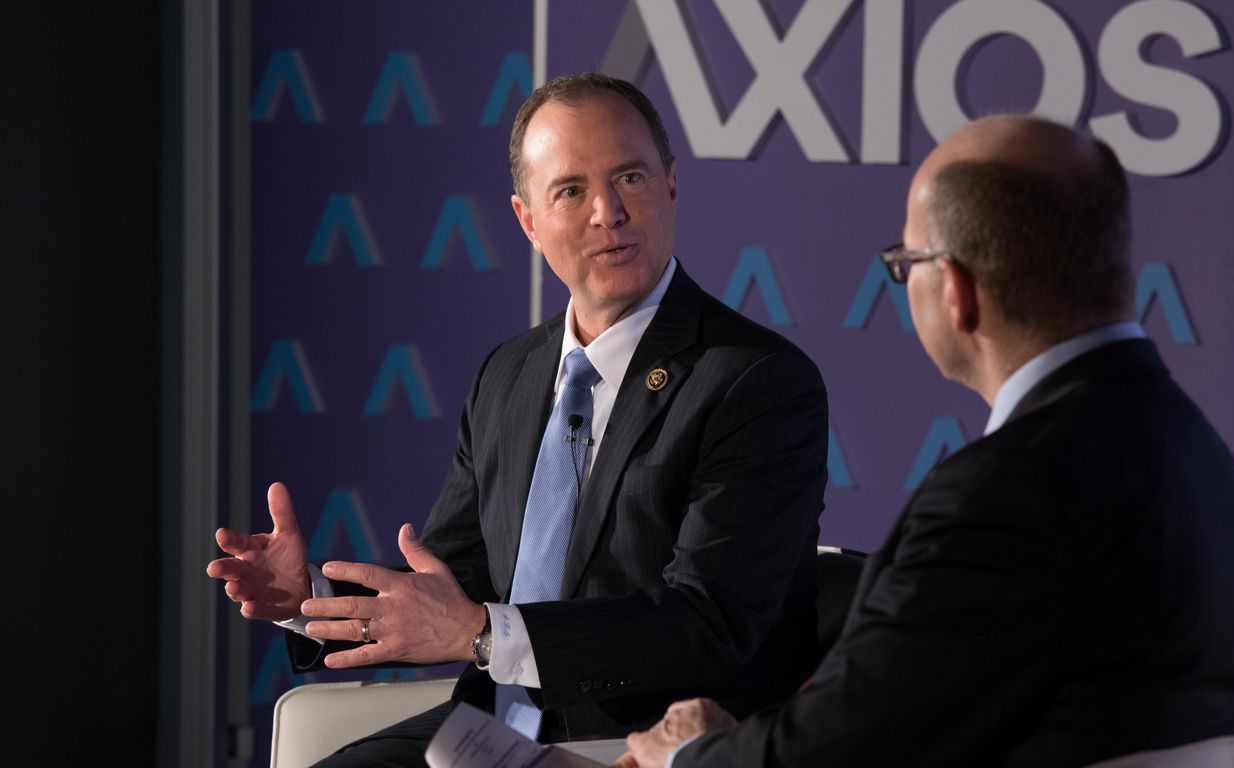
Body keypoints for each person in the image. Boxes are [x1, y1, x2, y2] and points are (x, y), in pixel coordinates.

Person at [614, 115, 1234, 767]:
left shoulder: (1008, 490)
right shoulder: (1196, 449)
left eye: (906, 263)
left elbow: (855, 744)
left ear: (956, 289)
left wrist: (692, 754)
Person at [207, 73, 828, 765]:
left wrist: (480, 634)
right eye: (571, 191)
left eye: (630, 177)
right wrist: (311, 598)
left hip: (638, 742)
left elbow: (708, 623)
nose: (608, 212)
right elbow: (454, 582)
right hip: (492, 726)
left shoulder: (755, 380)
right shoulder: (510, 373)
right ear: (527, 220)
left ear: (672, 185)